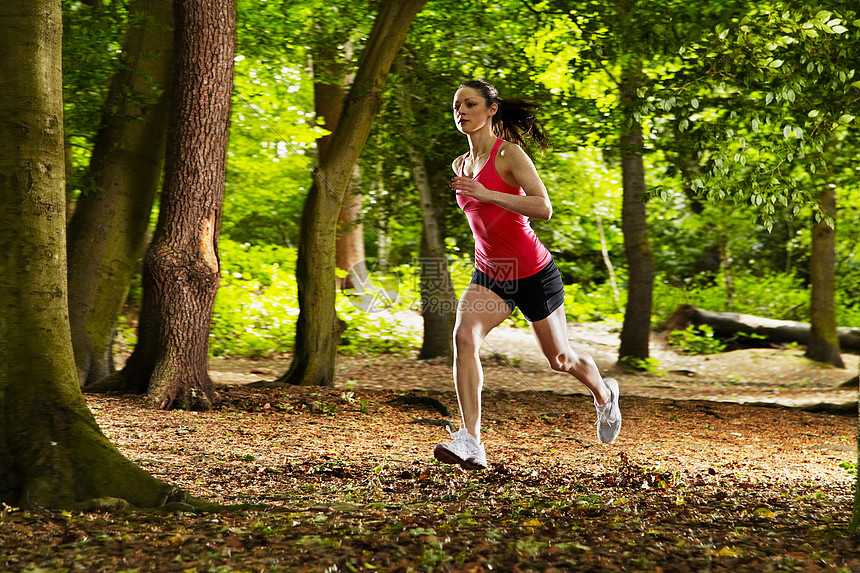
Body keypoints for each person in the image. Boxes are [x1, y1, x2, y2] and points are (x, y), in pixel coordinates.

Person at [433, 79, 621, 471]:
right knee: (464, 337)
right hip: (492, 272)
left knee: (561, 359)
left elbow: (542, 207)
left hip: (534, 272)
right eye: (456, 107)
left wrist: (487, 194)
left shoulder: (509, 155)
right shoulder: (460, 165)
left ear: (491, 109)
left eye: (469, 104)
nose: (461, 112)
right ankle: (471, 441)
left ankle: (604, 393)